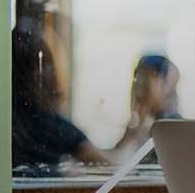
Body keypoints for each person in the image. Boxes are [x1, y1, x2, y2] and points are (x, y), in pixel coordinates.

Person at [11, 22, 159, 173]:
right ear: (43, 73)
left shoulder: (10, 122)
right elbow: (112, 165)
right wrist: (141, 117)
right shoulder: (48, 124)